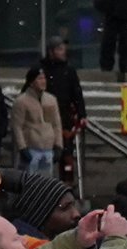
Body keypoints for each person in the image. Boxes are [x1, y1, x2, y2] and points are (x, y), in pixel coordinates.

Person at [40, 37, 87, 183]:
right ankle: (45, 184)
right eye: (59, 49)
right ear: (51, 51)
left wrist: (82, 114)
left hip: (64, 120)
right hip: (45, 119)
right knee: (46, 154)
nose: (63, 52)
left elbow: (76, 93)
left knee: (66, 155)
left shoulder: (69, 70)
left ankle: (67, 184)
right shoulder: (42, 69)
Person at [11, 65, 63, 175]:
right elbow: (17, 126)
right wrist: (22, 147)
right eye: (39, 78)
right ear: (31, 82)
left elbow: (56, 124)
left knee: (46, 183)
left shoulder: (51, 100)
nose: (43, 81)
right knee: (29, 182)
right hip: (31, 148)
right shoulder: (21, 101)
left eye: (44, 78)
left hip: (48, 149)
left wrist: (58, 145)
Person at [97, 0, 127, 79]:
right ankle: (125, 68)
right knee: (122, 41)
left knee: (112, 40)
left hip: (115, 10)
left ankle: (110, 67)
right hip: (122, 10)